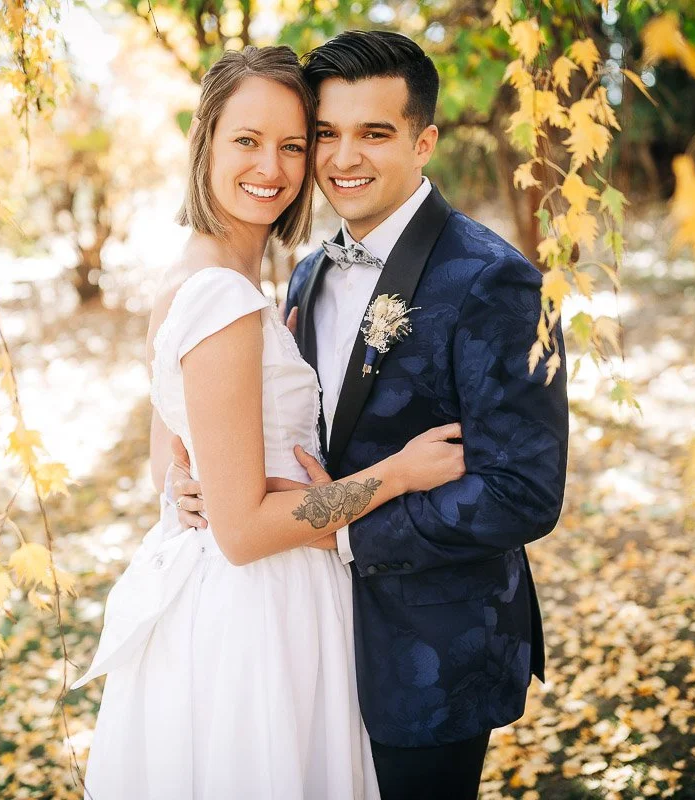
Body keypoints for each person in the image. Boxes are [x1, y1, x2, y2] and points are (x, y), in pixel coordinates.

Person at [170, 30, 570, 800]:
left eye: (374, 134)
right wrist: (205, 489)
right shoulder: (310, 275)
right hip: (303, 638)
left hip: (432, 649)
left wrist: (348, 530)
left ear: (424, 142)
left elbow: (521, 491)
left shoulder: (496, 281)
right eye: (327, 134)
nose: (343, 158)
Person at [71, 45, 466, 799]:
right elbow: (244, 532)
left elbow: (169, 464)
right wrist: (399, 475)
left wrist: (196, 484)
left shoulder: (210, 279)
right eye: (247, 141)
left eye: (293, 144)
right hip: (255, 613)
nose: (273, 168)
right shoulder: (223, 298)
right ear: (205, 137)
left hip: (242, 599)